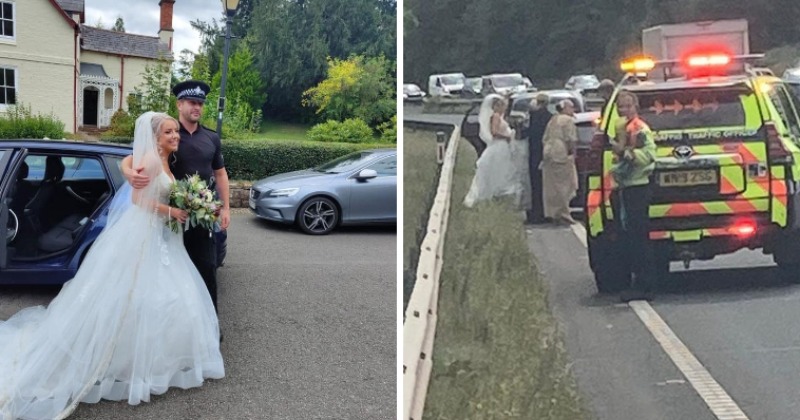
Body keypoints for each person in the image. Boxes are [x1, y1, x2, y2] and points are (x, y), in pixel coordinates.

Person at [0, 112, 225, 420]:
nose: (176, 137)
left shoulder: (161, 158)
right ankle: (132, 361)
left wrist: (181, 204)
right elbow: (138, 201)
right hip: (149, 233)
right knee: (146, 295)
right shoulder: (153, 160)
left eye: (176, 132)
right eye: (170, 132)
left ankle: (151, 359)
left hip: (161, 236)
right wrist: (171, 210)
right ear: (156, 137)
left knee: (163, 295)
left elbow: (138, 168)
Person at [122, 80, 230, 314]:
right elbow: (136, 156)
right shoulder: (165, 132)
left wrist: (227, 208)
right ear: (179, 104)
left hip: (201, 219)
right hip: (171, 223)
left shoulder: (210, 138)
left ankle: (209, 325)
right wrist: (126, 170)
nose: (197, 107)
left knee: (207, 269)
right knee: (175, 276)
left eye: (200, 103)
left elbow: (220, 174)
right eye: (192, 102)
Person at [609, 90, 657, 302]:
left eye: (627, 106)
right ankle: (635, 282)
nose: (623, 110)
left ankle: (644, 285)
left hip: (638, 187)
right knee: (628, 237)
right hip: (625, 188)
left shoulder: (640, 129)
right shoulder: (622, 128)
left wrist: (625, 153)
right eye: (620, 106)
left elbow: (648, 156)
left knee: (638, 238)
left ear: (635, 106)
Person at [463, 94, 521, 207]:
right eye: (502, 106)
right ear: (497, 106)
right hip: (499, 145)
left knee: (500, 169)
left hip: (503, 146)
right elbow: (494, 132)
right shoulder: (495, 117)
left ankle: (499, 193)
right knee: (496, 168)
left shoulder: (499, 116)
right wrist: (507, 136)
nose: (504, 108)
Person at [540, 99, 579, 225]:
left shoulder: (553, 120)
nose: (573, 110)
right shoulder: (568, 120)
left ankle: (554, 212)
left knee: (552, 185)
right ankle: (564, 213)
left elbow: (545, 138)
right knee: (566, 184)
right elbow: (570, 139)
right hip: (561, 152)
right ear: (565, 108)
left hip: (548, 152)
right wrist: (572, 153)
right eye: (571, 107)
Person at [524, 93, 552, 224]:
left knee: (535, 184)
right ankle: (545, 212)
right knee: (545, 185)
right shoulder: (550, 117)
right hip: (546, 153)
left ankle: (535, 214)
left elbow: (530, 133)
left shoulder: (534, 116)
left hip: (535, 152)